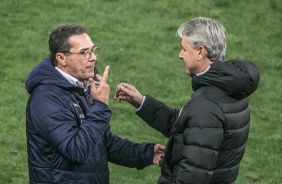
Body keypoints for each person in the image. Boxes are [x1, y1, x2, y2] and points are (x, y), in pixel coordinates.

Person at [114, 17, 260, 183]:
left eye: (184, 49)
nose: (180, 55)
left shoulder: (206, 105)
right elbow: (189, 128)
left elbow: (193, 175)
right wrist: (142, 102)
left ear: (200, 52)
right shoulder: (230, 90)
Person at [25, 24, 165, 184]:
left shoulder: (82, 86)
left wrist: (145, 153)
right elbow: (77, 151)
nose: (93, 58)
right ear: (61, 58)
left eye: (92, 50)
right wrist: (99, 105)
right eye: (84, 53)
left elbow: (100, 142)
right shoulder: (46, 99)